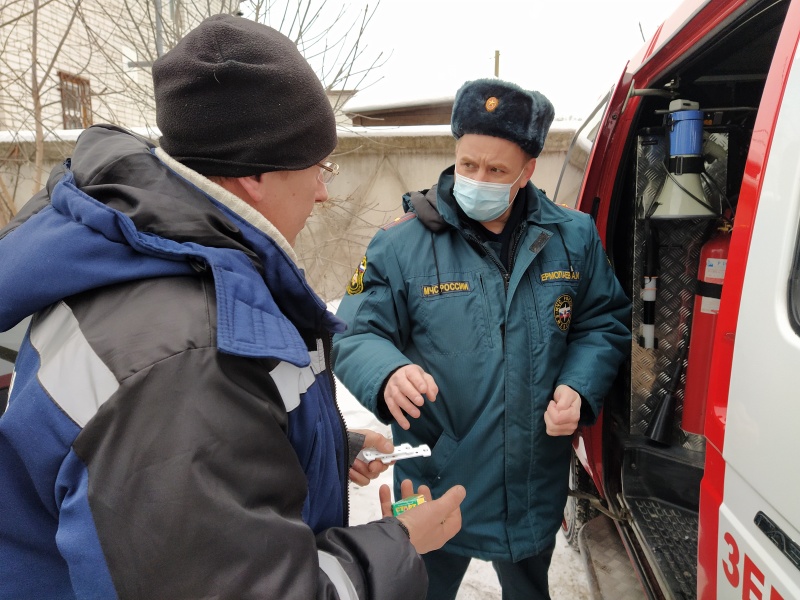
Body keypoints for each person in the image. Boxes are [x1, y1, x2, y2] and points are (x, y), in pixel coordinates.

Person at [0, 15, 465, 600]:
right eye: (317, 167)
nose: (324, 191)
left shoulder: (147, 257)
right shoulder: (187, 358)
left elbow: (192, 465)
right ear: (254, 175)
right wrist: (400, 543)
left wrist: (319, 451)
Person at [332, 78, 631, 599]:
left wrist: (580, 387)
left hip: (532, 478)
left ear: (528, 170)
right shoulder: (401, 243)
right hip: (431, 473)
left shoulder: (574, 237)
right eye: (468, 164)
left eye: (496, 170)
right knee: (419, 587)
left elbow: (601, 322)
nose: (478, 178)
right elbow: (356, 332)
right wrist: (386, 372)